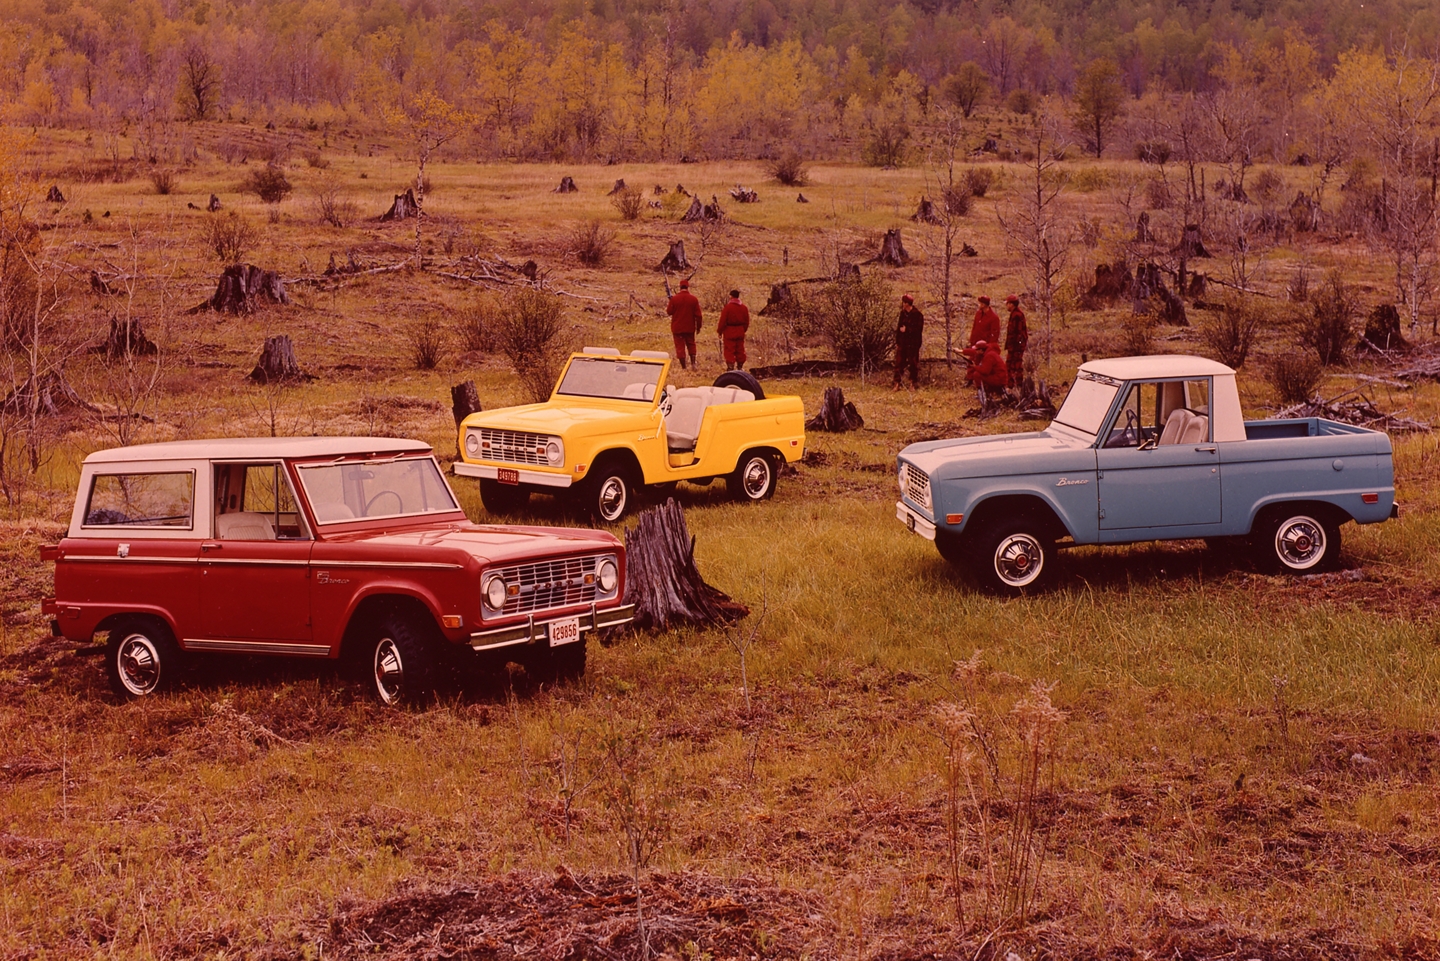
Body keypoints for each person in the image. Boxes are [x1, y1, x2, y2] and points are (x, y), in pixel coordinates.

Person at [666, 279, 703, 369]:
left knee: (680, 347)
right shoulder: (693, 299)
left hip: (677, 328)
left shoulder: (674, 299)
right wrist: (698, 327)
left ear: (680, 287)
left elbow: (669, 312)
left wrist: (671, 302)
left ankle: (684, 367)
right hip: (690, 327)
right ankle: (693, 363)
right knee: (691, 344)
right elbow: (699, 315)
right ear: (687, 287)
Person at [892, 293, 923, 390]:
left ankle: (912, 383)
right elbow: (899, 328)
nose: (902, 304)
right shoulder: (903, 314)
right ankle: (897, 383)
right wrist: (897, 341)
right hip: (902, 342)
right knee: (899, 363)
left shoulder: (918, 315)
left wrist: (908, 329)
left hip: (913, 344)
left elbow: (918, 329)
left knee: (913, 364)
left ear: (907, 303)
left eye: (904, 302)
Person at [717, 289, 751, 370]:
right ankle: (740, 367)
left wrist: (720, 331)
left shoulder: (728, 308)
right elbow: (747, 321)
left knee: (729, 349)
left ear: (731, 296)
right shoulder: (744, 308)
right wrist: (743, 330)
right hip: (740, 331)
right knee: (740, 349)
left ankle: (730, 367)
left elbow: (722, 321)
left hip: (729, 331)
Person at [1003, 294, 1028, 388]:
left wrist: (1014, 347)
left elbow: (1018, 333)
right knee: (1012, 365)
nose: (1007, 306)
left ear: (1012, 304)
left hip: (1016, 347)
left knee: (1014, 365)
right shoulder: (1015, 314)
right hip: (1015, 346)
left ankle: (1014, 385)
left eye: (1008, 303)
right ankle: (1013, 385)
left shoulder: (1017, 315)